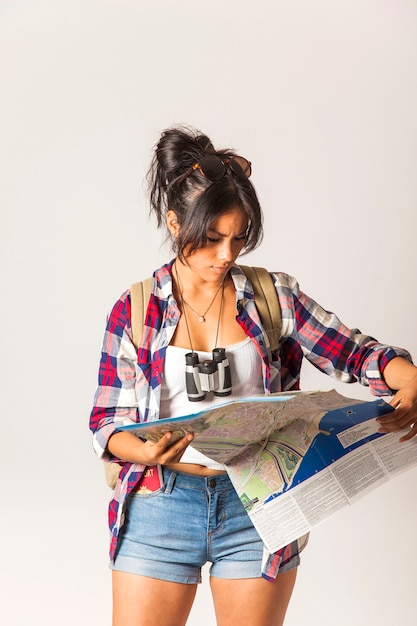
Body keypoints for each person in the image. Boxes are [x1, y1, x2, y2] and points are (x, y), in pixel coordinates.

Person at [89, 126, 417, 626]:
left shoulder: (273, 296)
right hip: (161, 505)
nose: (227, 254)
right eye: (212, 238)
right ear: (176, 224)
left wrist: (408, 376)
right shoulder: (136, 309)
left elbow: (355, 352)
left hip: (257, 507)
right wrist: (144, 449)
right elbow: (108, 424)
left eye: (238, 237)